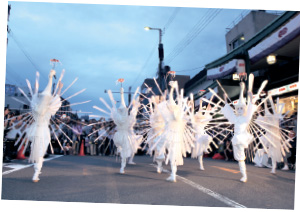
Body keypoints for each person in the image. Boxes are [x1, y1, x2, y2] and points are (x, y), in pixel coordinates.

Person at [26, 70, 63, 182]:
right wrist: (59, 88)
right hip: (42, 130)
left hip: (35, 128)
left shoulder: (35, 106)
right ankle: (36, 173)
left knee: (36, 149)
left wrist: (49, 79)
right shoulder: (49, 108)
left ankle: (36, 172)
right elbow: (57, 100)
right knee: (41, 151)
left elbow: (35, 96)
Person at [222, 82, 257, 183]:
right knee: (239, 158)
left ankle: (244, 175)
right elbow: (228, 111)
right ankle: (243, 174)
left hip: (241, 139)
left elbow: (250, 111)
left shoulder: (246, 118)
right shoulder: (235, 118)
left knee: (241, 158)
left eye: (242, 108)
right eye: (238, 108)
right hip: (236, 139)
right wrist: (225, 100)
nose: (240, 110)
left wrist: (251, 99)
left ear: (244, 109)